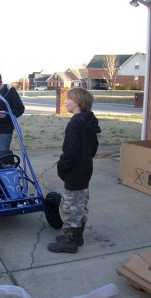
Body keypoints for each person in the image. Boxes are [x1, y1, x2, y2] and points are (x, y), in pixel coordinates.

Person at [48, 87, 101, 254]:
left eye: (69, 99)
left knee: (70, 206)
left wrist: (62, 167)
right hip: (85, 170)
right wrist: (85, 159)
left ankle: (69, 241)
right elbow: (94, 147)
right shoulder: (88, 121)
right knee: (81, 203)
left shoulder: (75, 123)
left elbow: (70, 151)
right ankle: (77, 236)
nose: (66, 101)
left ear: (78, 103)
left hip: (75, 171)